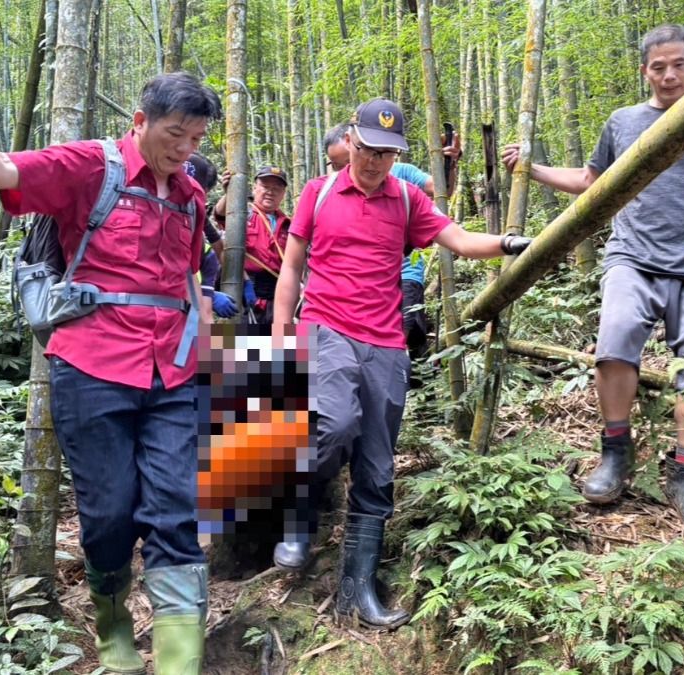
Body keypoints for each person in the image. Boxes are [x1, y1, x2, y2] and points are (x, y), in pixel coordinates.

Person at [0, 72, 222, 674]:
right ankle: (113, 620)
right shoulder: (92, 167)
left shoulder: (191, 196)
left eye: (195, 139)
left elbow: (189, 282)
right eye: (176, 134)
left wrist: (206, 355)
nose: (185, 150)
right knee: (110, 510)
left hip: (172, 374)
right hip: (91, 367)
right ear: (140, 121)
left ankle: (179, 661)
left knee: (176, 509)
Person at [502, 24, 684, 533]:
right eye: (658, 67)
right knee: (613, 344)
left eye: (678, 64)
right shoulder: (623, 122)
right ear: (645, 72)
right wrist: (534, 168)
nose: (669, 75)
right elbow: (592, 183)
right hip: (632, 257)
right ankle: (616, 452)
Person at [273, 98, 532, 627]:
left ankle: (358, 589)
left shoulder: (408, 198)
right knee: (335, 423)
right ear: (350, 139)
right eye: (367, 149)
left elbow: (456, 239)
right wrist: (281, 328)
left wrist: (508, 242)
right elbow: (293, 262)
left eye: (386, 154)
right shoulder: (318, 192)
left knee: (376, 463)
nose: (373, 162)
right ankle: (297, 516)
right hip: (326, 325)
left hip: (386, 340)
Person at [322, 124, 462, 377]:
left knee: (406, 329)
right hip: (358, 285)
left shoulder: (403, 177)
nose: (346, 171)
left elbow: (441, 190)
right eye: (336, 165)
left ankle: (417, 395)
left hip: (405, 273)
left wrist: (449, 164)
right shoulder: (325, 190)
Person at [214, 166, 292, 324]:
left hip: (278, 295)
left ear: (283, 194)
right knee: (235, 347)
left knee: (283, 347)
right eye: (265, 187)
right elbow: (220, 215)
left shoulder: (289, 224)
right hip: (243, 290)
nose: (271, 192)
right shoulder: (242, 212)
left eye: (277, 188)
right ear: (254, 188)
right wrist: (229, 193)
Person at [187, 152, 239, 319]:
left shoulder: (204, 249)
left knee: (299, 341)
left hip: (183, 330)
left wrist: (206, 294)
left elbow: (218, 244)